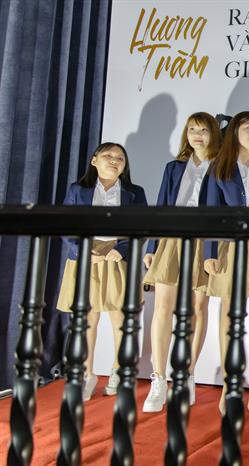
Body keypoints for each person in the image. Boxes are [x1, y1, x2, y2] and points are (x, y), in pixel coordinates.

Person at [141, 112, 221, 412]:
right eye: (192, 129)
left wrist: (213, 250)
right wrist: (152, 244)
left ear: (213, 134)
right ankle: (159, 378)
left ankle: (187, 374)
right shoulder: (173, 168)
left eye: (203, 130)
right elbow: (162, 205)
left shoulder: (222, 167)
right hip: (172, 238)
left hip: (205, 241)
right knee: (163, 306)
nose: (197, 135)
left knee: (198, 308)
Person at [56, 142, 147, 401]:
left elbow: (143, 227)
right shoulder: (78, 190)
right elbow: (64, 223)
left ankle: (119, 370)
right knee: (87, 319)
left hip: (117, 255)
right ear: (94, 160)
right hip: (86, 255)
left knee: (121, 318)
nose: (114, 160)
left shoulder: (134, 193)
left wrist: (123, 248)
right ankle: (87, 374)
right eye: (108, 155)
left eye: (120, 158)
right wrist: (81, 250)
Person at [204, 111, 249, 415]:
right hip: (230, 246)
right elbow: (210, 211)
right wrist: (209, 251)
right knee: (228, 312)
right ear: (234, 132)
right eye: (248, 127)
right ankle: (229, 382)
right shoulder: (219, 167)